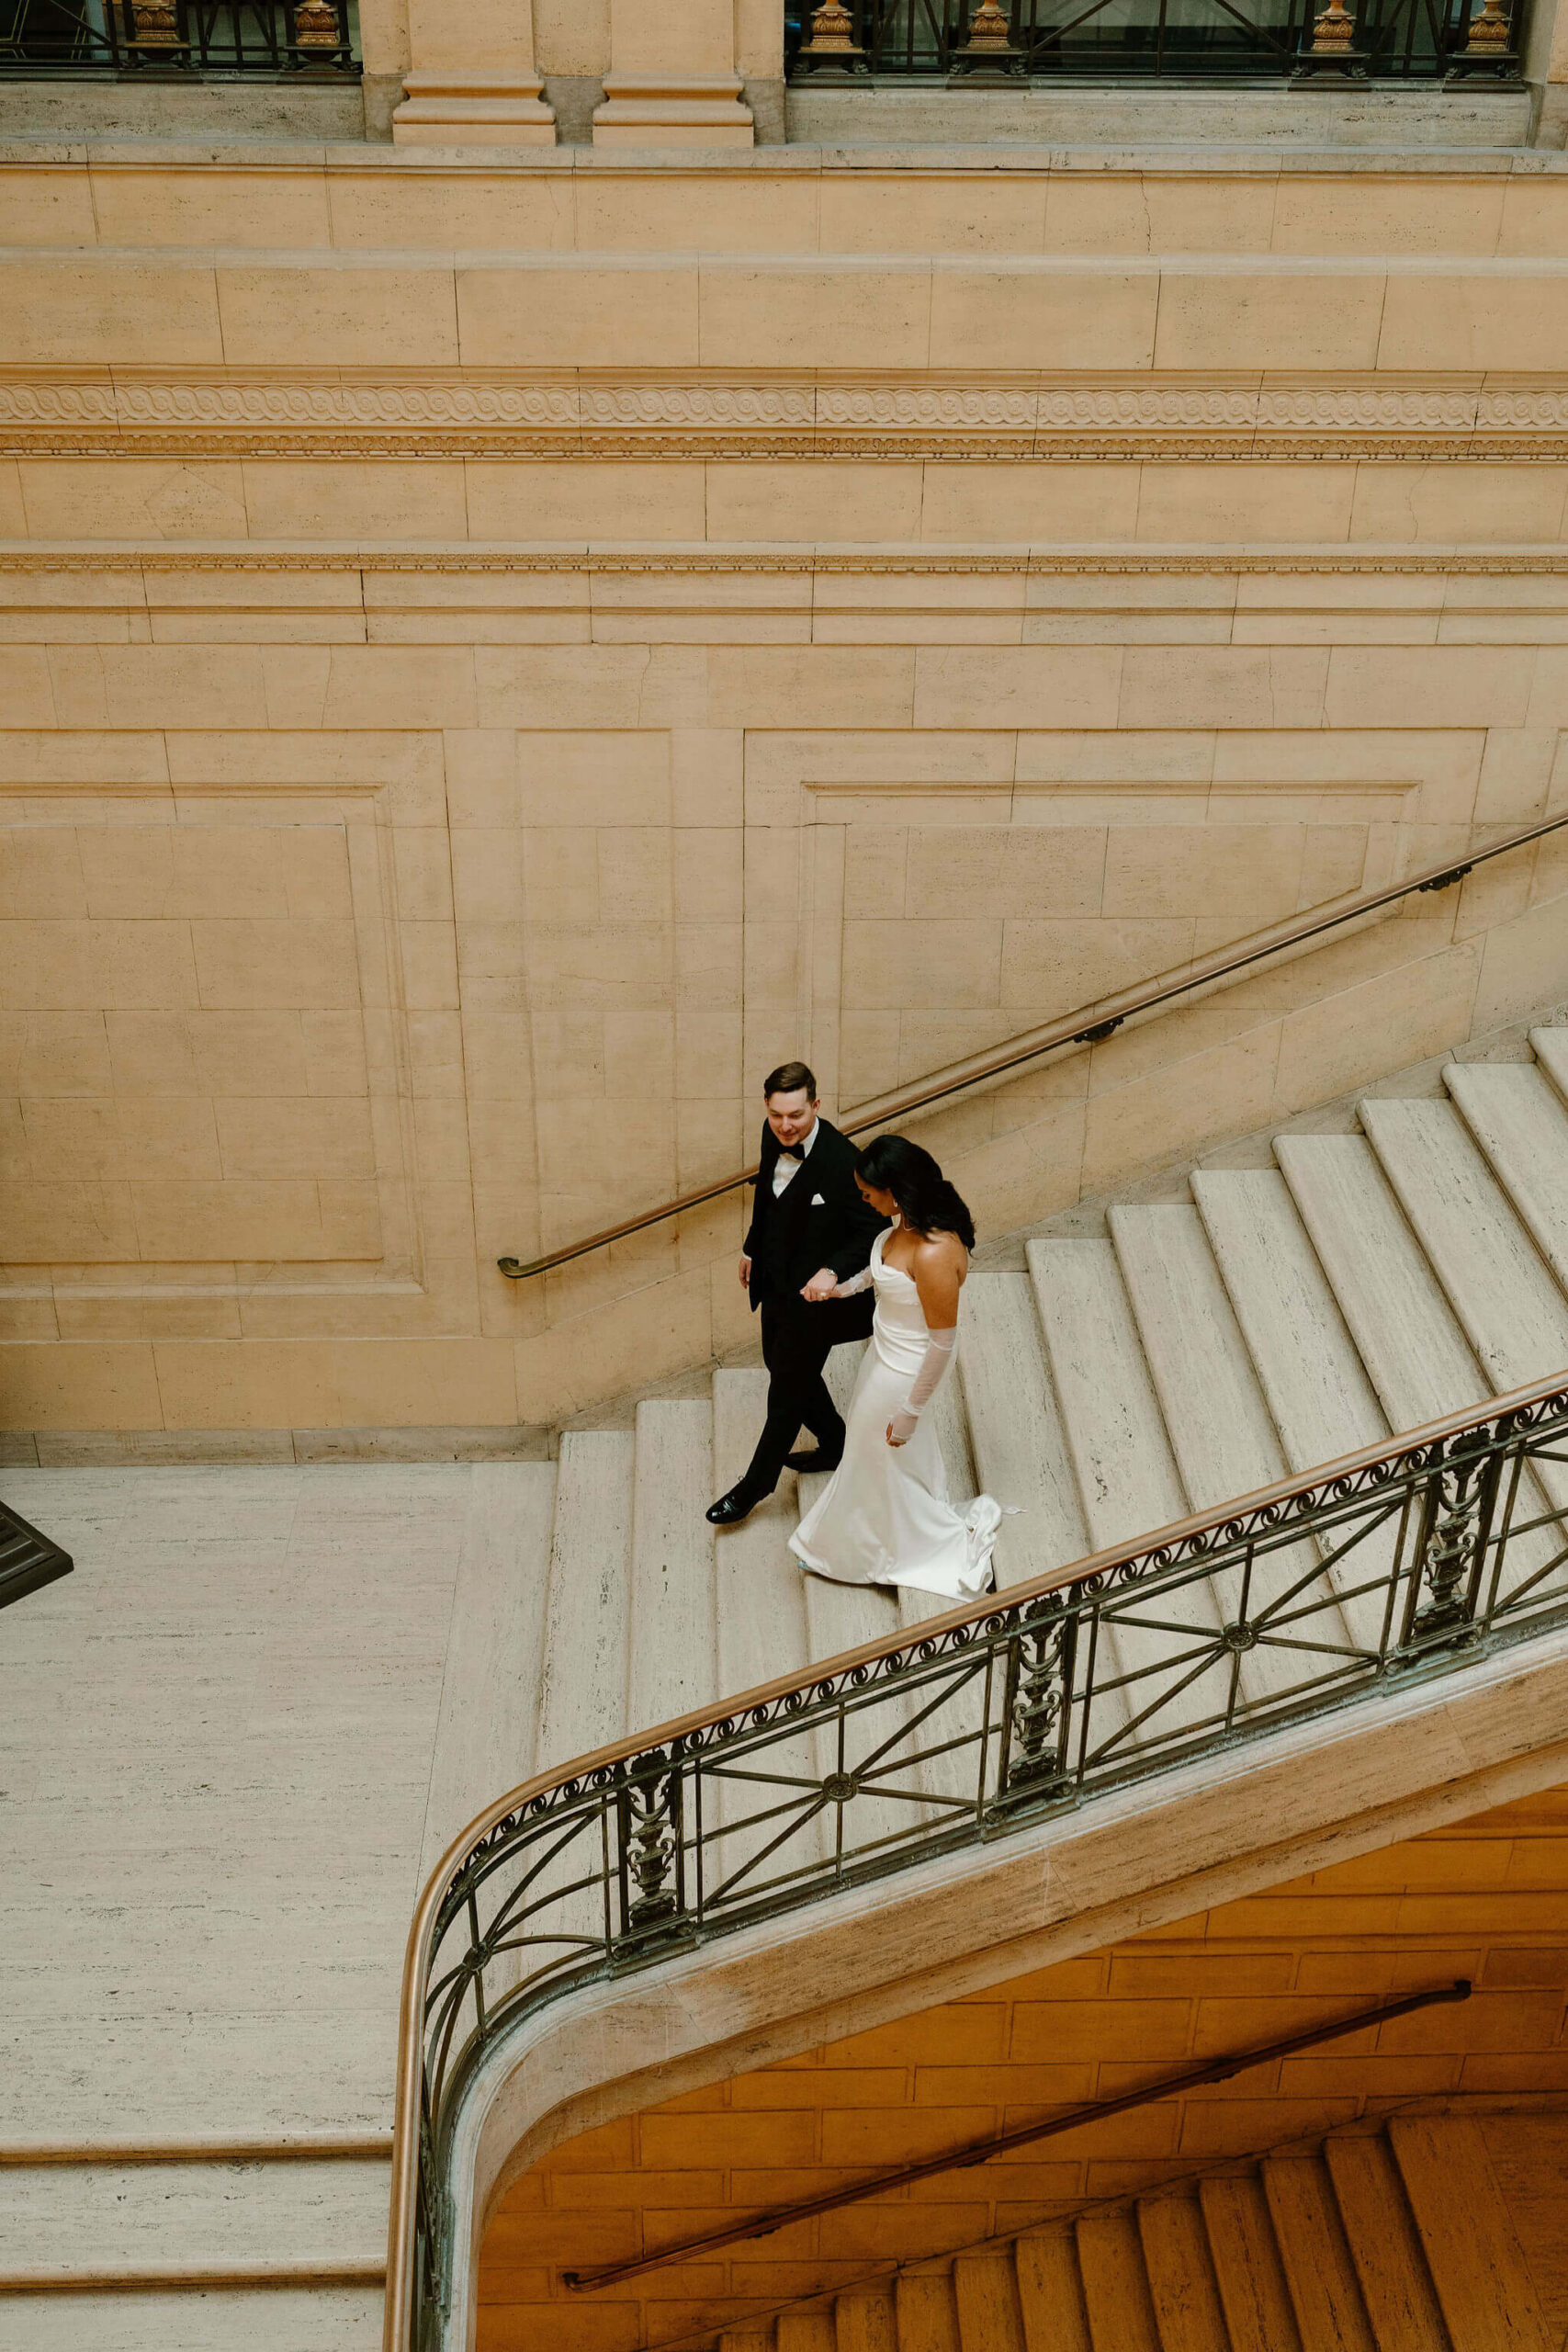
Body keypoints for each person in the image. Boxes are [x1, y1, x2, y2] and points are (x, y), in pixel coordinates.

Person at [789, 1135, 1003, 1600]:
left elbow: (943, 1344)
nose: (862, 1198)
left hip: (903, 1371)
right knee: (874, 1454)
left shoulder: (934, 1252)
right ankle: (860, 1538)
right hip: (881, 1354)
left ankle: (866, 1548)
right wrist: (838, 1289)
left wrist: (911, 1408)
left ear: (896, 1189)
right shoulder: (901, 1224)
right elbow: (879, 1269)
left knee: (869, 1449)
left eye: (868, 1192)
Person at [706, 1062, 889, 1528]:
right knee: (779, 1361)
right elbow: (767, 1199)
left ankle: (755, 1485)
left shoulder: (842, 1160)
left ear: (817, 1106)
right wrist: (752, 1247)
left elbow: (874, 1228)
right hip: (776, 1282)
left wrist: (831, 1271)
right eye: (777, 1115)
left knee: (786, 1387)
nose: (786, 1126)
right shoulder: (775, 1138)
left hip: (820, 1300)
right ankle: (835, 1444)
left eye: (796, 1115)